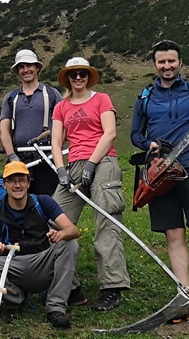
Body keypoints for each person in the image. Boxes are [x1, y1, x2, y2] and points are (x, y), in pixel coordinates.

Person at [130, 39, 189, 329]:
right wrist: (149, 144)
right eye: (161, 61)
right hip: (160, 174)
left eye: (171, 61)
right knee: (173, 234)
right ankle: (184, 297)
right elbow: (135, 134)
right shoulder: (145, 97)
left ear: (180, 62)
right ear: (154, 64)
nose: (167, 66)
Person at [50, 57, 130, 313]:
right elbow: (56, 140)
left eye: (82, 73)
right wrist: (61, 169)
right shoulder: (61, 106)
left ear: (88, 76)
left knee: (106, 222)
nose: (78, 78)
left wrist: (92, 164)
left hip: (103, 161)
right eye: (73, 74)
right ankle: (71, 288)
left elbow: (110, 133)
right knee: (52, 220)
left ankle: (112, 287)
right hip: (73, 165)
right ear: (68, 79)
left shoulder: (101, 99)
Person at [0, 161, 80, 328]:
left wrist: (60, 234)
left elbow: (73, 230)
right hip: (12, 264)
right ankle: (16, 298)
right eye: (12, 180)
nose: (17, 185)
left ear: (28, 183)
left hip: (43, 261)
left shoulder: (43, 202)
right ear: (4, 185)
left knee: (70, 245)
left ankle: (56, 307)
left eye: (22, 180)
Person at [0, 49, 62, 197]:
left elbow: (63, 125)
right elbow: (4, 130)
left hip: (47, 158)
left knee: (49, 202)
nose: (26, 70)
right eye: (21, 67)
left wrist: (56, 150)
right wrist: (12, 155)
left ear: (37, 68)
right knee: (17, 203)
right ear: (17, 71)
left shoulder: (52, 94)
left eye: (29, 66)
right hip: (19, 158)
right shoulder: (10, 98)